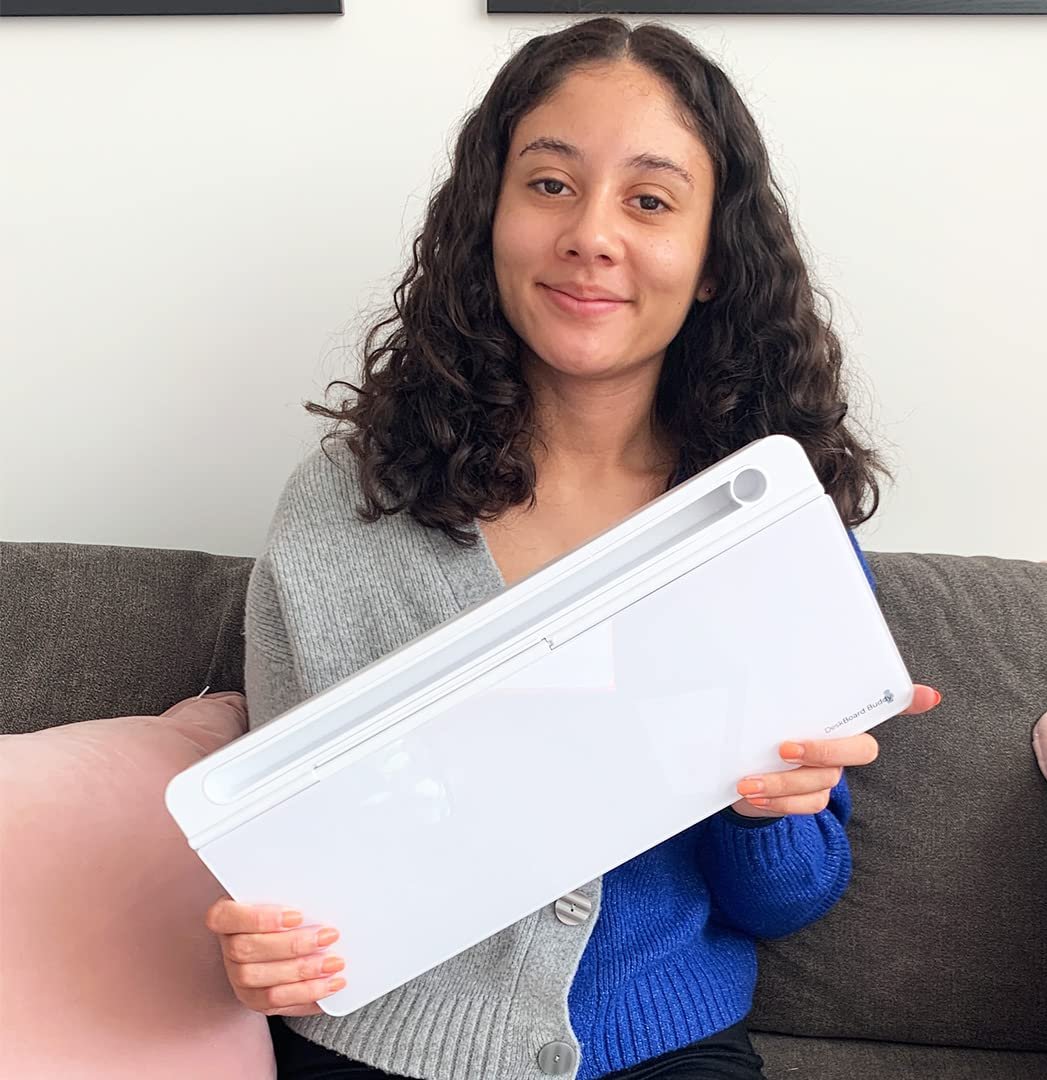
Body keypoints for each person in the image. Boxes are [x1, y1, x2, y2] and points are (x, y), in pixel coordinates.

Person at [204, 16, 941, 1080]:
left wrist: (769, 811)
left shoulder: (772, 527)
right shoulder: (345, 503)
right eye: (550, 184)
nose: (592, 234)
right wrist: (264, 943)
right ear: (487, 219)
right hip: (379, 1047)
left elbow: (784, 905)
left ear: (713, 261)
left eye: (651, 200)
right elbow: (301, 855)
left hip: (663, 1047)